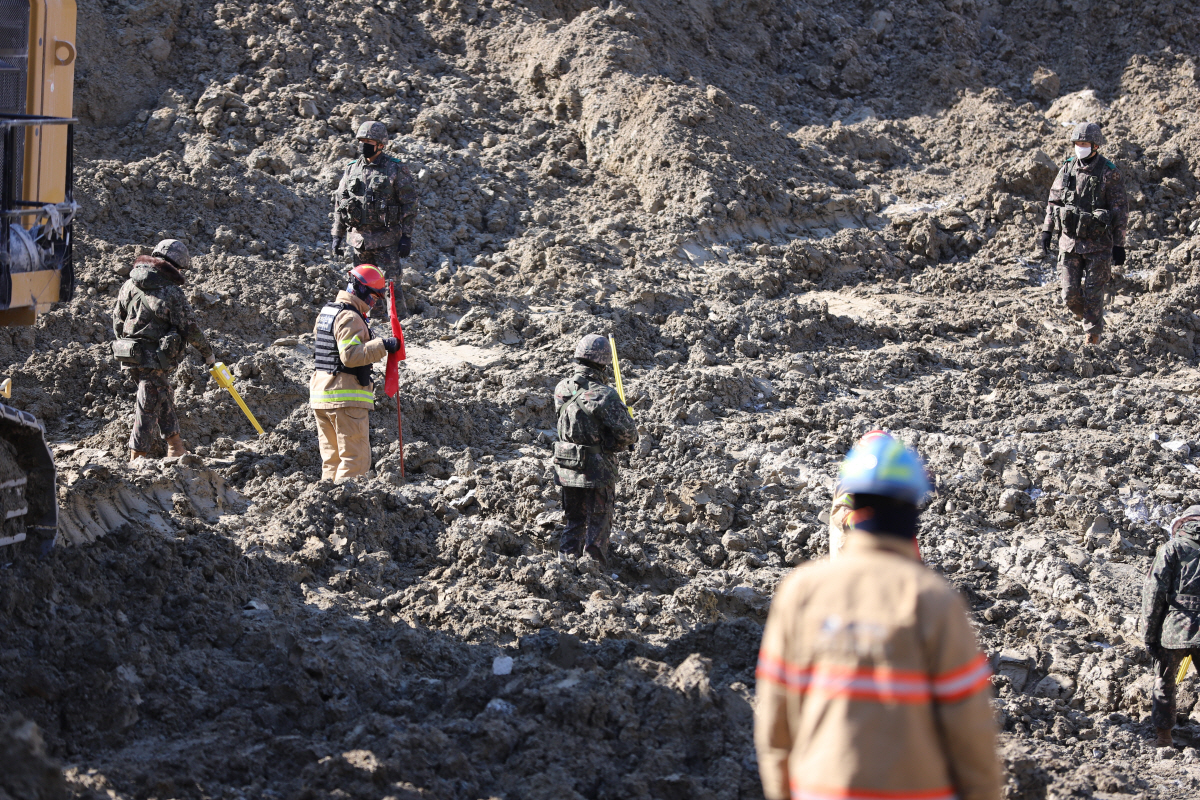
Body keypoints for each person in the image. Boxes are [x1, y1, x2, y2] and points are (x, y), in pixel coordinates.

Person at [755, 431, 1002, 800]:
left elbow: (776, 722)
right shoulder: (934, 602)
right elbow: (969, 730)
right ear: (911, 504)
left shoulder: (800, 591)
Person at [111, 239, 214, 461]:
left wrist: (127, 344)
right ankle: (137, 456)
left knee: (162, 395)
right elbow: (189, 328)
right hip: (155, 358)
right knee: (147, 407)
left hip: (129, 354)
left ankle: (176, 446)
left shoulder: (129, 284)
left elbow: (117, 320)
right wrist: (207, 353)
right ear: (176, 265)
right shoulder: (170, 291)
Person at [309, 264, 402, 481]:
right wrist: (384, 345)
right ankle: (346, 506)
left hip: (322, 394)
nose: (374, 302)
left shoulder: (329, 311)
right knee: (355, 460)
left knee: (332, 460)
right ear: (361, 290)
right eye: (374, 296)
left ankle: (327, 504)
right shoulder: (350, 317)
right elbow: (350, 356)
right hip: (344, 397)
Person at [552, 334, 639, 565]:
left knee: (574, 519)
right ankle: (593, 568)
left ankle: (566, 563)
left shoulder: (561, 388)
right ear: (604, 363)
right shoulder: (605, 395)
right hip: (598, 470)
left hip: (567, 466)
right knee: (599, 520)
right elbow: (628, 435)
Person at [1039, 121, 1128, 345]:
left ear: (1095, 145)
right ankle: (1086, 315)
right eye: (1077, 143)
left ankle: (1092, 336)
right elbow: (1054, 201)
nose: (1081, 146)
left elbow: (1119, 210)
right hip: (1069, 243)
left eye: (1085, 143)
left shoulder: (1109, 172)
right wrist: (1046, 231)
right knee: (1069, 294)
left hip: (1098, 245)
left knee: (1093, 294)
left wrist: (1119, 245)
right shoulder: (1067, 168)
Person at [331, 120, 418, 312]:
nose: (363, 146)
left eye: (368, 142)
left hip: (387, 240)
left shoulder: (395, 168)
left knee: (391, 287)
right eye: (361, 141)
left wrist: (406, 236)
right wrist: (337, 235)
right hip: (359, 241)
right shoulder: (352, 168)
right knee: (362, 288)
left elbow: (409, 203)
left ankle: (400, 327)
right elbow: (340, 202)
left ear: (380, 145)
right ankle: (369, 327)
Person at [1140, 505, 1200, 748]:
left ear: (1181, 526)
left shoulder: (1172, 548)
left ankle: (1164, 739)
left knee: (1165, 682)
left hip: (1174, 629)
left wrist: (1149, 635)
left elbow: (1154, 592)